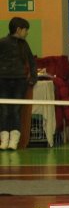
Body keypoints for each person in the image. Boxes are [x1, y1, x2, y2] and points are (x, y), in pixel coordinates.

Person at [0, 17, 37, 151]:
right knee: (4, 111)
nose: (27, 33)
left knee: (15, 110)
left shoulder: (24, 45)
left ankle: (14, 141)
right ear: (18, 30)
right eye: (26, 30)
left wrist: (33, 78)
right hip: (2, 81)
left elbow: (32, 62)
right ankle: (4, 140)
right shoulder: (2, 42)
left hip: (19, 82)